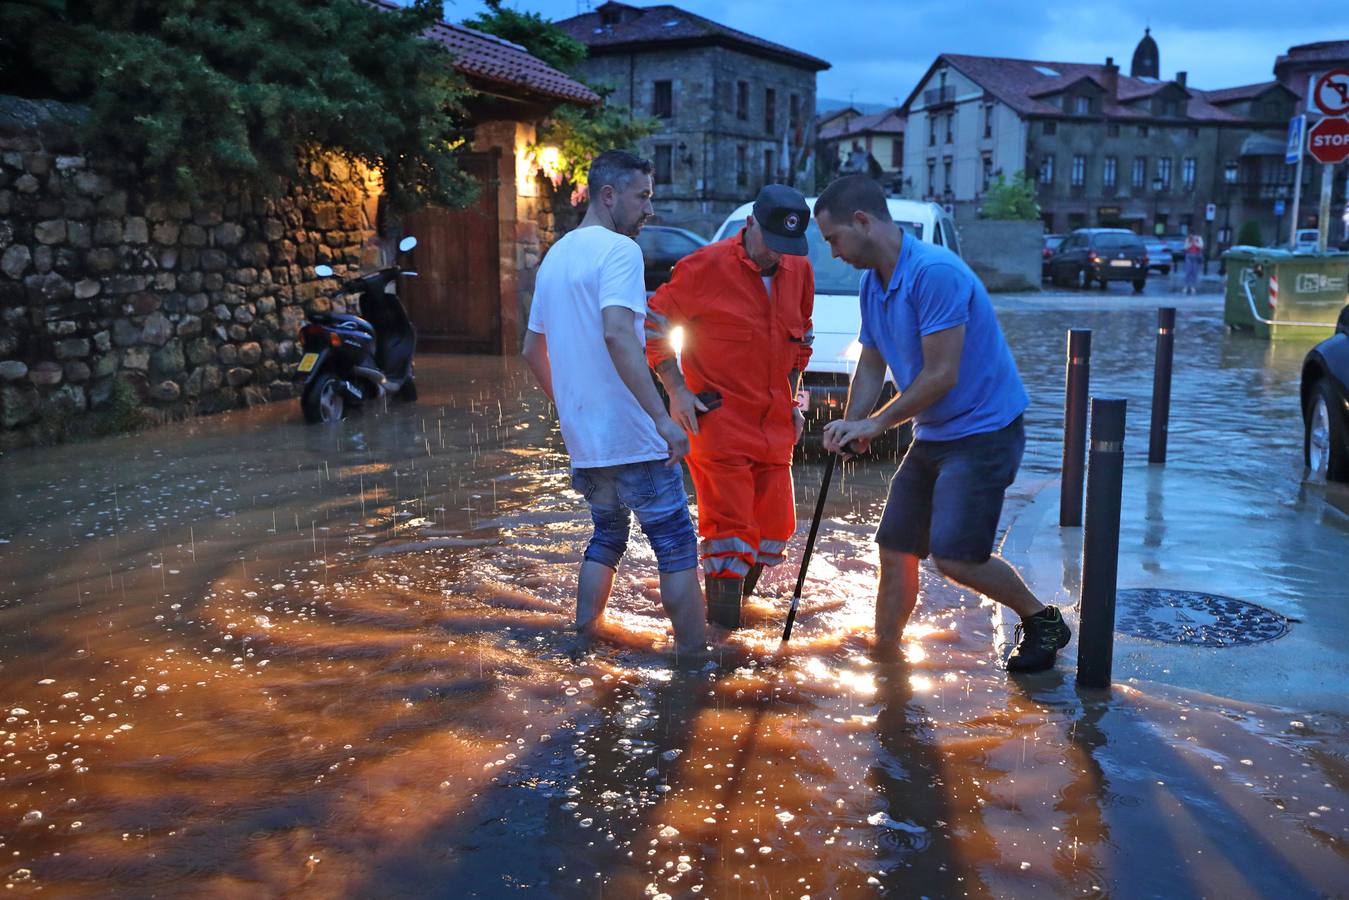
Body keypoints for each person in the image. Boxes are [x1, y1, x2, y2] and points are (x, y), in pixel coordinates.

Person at [813, 174, 1070, 673]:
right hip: (936, 433)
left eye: (833, 238)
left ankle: (1043, 620)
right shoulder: (873, 283)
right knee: (895, 547)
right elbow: (871, 363)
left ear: (862, 222)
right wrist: (850, 424)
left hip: (984, 432)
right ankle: (884, 658)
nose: (833, 252)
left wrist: (878, 425)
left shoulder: (935, 273)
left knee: (956, 558)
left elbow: (941, 374)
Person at [521, 150, 705, 654]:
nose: (650, 210)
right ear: (609, 195)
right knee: (675, 545)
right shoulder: (620, 253)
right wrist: (662, 419)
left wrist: (571, 408)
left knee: (606, 536)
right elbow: (620, 336)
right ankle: (695, 663)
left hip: (586, 441)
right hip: (631, 435)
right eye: (642, 196)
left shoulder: (555, 256)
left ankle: (584, 638)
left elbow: (532, 349)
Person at [646, 185, 815, 628]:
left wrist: (796, 399)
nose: (778, 257)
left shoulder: (799, 269)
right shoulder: (703, 268)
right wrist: (676, 391)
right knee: (730, 536)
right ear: (751, 225)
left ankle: (731, 615)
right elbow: (654, 324)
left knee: (774, 530)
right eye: (772, 244)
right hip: (717, 420)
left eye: (788, 248)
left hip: (776, 424)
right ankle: (721, 642)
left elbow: (801, 342)